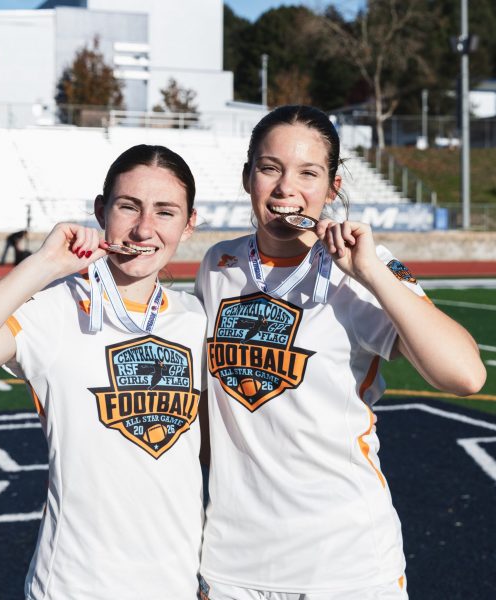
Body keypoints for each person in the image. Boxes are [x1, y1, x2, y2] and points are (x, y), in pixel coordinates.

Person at [195, 105, 486, 600]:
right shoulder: (218, 265)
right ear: (247, 178)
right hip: (232, 565)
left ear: (332, 188)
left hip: (343, 563)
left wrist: (370, 273)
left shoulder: (362, 267)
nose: (286, 188)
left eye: (308, 173)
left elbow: (465, 375)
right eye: (270, 168)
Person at [0, 144, 206, 600]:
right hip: (75, 585)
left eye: (165, 212)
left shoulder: (196, 318)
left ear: (188, 225)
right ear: (101, 210)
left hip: (176, 586)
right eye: (128, 207)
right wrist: (44, 265)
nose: (144, 228)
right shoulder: (54, 309)